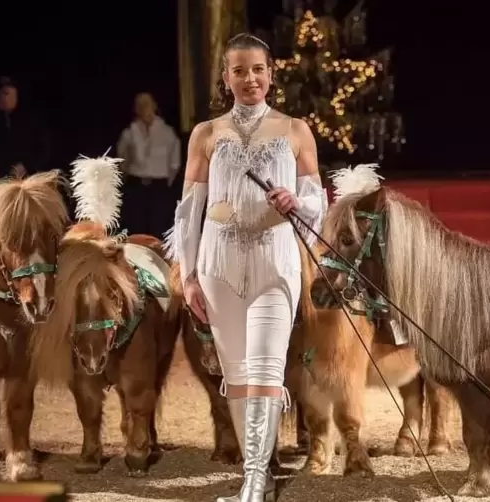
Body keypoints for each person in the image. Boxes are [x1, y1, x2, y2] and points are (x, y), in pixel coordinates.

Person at [169, 33, 327, 501]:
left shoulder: (295, 130)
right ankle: (254, 476)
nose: (249, 78)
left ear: (271, 73)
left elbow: (319, 199)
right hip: (218, 265)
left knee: (265, 370)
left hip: (273, 263)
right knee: (238, 377)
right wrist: (190, 274)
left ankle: (255, 485)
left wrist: (296, 200)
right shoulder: (206, 133)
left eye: (257, 69)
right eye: (239, 70)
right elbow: (189, 208)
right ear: (226, 77)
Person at [117, 92, 181, 237]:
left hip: (159, 187)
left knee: (158, 229)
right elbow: (122, 159)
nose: (143, 107)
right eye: (139, 104)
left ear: (154, 106)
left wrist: (164, 183)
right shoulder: (129, 132)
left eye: (147, 103)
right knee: (136, 228)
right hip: (136, 185)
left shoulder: (167, 132)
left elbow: (174, 163)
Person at [0, 77, 51, 178]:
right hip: (0, 177)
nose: (3, 98)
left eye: (7, 94)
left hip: (30, 177)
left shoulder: (31, 118)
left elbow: (44, 149)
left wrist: (26, 165)